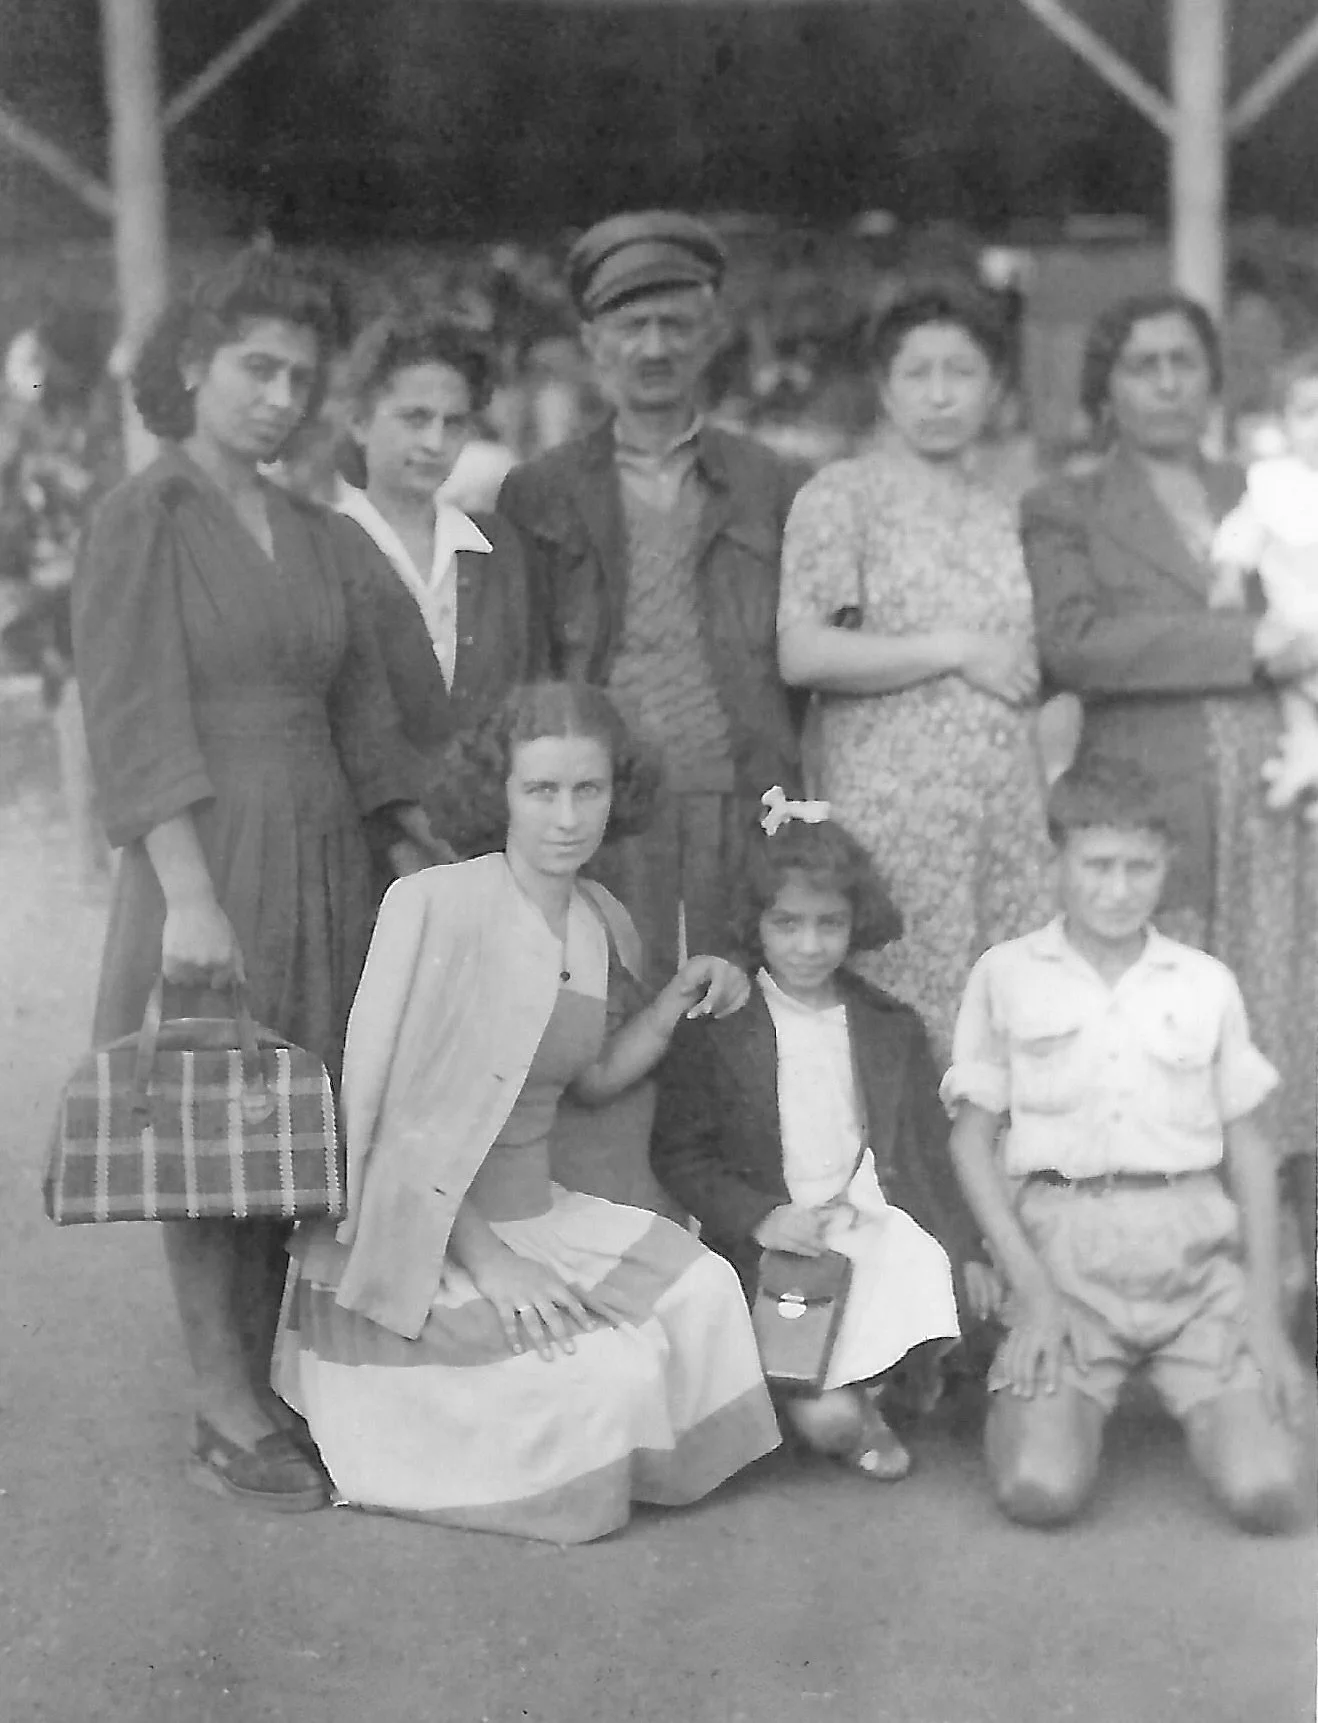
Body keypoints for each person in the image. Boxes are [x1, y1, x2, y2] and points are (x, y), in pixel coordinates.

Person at [72, 248, 434, 1513]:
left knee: (298, 1118)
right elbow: (130, 717)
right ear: (192, 365)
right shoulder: (146, 517)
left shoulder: (322, 533)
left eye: (299, 377)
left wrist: (414, 850)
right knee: (205, 1123)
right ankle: (220, 1401)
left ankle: (267, 1378)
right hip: (210, 852)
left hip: (324, 845)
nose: (279, 398)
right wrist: (186, 893)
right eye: (255, 368)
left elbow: (365, 716)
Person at [273, 682, 781, 1543]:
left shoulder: (601, 918)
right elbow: (396, 1118)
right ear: (499, 793)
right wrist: (494, 1263)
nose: (567, 817)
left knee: (705, 1294)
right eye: (541, 790)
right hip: (424, 1234)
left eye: (589, 789)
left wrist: (673, 1002)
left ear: (617, 792)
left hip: (539, 1213)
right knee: (608, 1379)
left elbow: (591, 1081)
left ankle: (593, 1444)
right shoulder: (435, 903)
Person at [942, 757, 1305, 1534]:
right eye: (1097, 864)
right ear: (1058, 859)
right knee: (1039, 1488)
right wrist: (1033, 1292)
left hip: (1193, 1249)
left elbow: (1251, 1150)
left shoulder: (1204, 982)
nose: (1117, 888)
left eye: (1140, 867)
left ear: (1167, 862)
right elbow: (971, 1144)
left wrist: (1267, 1320)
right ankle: (1047, 1402)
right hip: (1064, 1252)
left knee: (1270, 1492)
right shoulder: (1007, 974)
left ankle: (1206, 1390)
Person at [1020, 291, 1318, 1183]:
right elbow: (1076, 644)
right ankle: (1172, 1234)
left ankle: (1280, 1246)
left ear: (1213, 380)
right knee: (1165, 1029)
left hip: (1274, 807)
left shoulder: (1267, 488)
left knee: (1280, 1021)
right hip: (1153, 807)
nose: (1166, 383)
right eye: (1141, 365)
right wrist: (1249, 644)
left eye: (1184, 362)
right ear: (1105, 389)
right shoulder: (1064, 504)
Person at [498, 210, 806, 978]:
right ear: (593, 341)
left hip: (741, 797)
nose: (655, 347)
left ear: (712, 336)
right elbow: (529, 671)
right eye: (632, 327)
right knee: (609, 1003)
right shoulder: (541, 492)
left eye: (676, 325)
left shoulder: (770, 483)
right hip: (600, 806)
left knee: (738, 1009)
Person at [651, 796, 988, 1482]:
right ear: (757, 923)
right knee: (831, 1419)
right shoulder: (721, 1028)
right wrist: (761, 1216)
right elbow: (680, 1153)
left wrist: (970, 1250)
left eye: (829, 923)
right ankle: (840, 1398)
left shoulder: (889, 1026)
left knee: (952, 1304)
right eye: (788, 923)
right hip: (780, 1247)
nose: (809, 945)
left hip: (872, 1223)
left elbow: (930, 1153)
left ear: (855, 922)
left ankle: (890, 1378)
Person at [777, 281, 1052, 1061]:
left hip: (1005, 814)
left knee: (1006, 1028)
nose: (939, 395)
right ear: (885, 386)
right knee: (903, 1027)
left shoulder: (1005, 508)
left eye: (961, 373)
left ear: (995, 387)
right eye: (917, 373)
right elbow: (804, 650)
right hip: (894, 814)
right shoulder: (844, 495)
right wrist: (953, 648)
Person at [335, 312, 540, 785]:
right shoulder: (321, 547)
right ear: (360, 422)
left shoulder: (497, 550)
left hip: (486, 818)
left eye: (455, 424)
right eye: (415, 419)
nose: (435, 443)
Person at [1210, 343, 1318, 818]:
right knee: (1294, 697)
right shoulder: (1276, 485)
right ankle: (1304, 756)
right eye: (1308, 414)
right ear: (1284, 423)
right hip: (1296, 624)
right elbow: (1240, 533)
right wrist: (1229, 576)